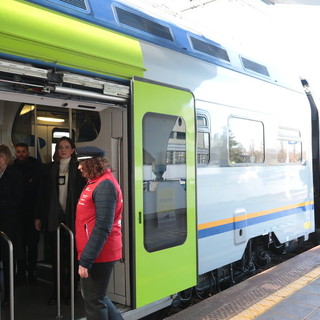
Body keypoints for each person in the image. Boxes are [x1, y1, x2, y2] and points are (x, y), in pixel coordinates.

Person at [35, 136, 86, 305]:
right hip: (54, 219)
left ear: (73, 150)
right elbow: (43, 196)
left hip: (73, 219)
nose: (62, 150)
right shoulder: (50, 169)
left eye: (66, 147)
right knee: (56, 258)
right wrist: (39, 217)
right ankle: (57, 292)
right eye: (60, 147)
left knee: (72, 259)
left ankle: (71, 292)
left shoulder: (80, 169)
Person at [76, 158, 124, 320]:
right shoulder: (96, 182)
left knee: (94, 301)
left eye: (82, 163)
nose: (79, 167)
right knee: (97, 297)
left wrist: (86, 260)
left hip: (99, 253)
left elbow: (103, 226)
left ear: (92, 163)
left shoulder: (105, 185)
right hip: (95, 251)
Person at [13, 143, 41, 283]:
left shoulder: (36, 167)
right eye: (18, 152)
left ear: (28, 152)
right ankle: (21, 273)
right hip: (17, 214)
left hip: (32, 214)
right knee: (19, 245)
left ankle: (32, 273)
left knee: (32, 245)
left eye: (23, 151)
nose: (21, 154)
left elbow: (37, 192)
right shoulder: (11, 168)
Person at [0, 144, 24, 306]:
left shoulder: (15, 174)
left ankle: (9, 295)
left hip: (9, 224)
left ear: (6, 159)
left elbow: (19, 200)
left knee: (8, 260)